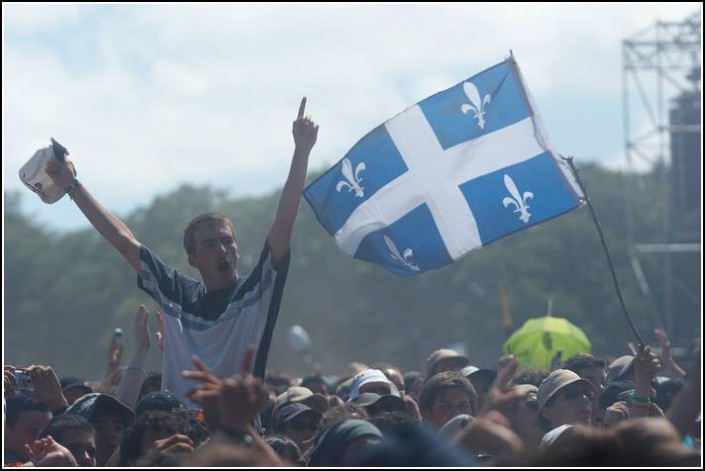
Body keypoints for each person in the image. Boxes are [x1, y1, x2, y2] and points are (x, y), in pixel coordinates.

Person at [46, 98, 318, 408]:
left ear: (237, 248)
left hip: (238, 433)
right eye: (209, 244)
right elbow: (123, 240)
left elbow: (283, 224)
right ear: (193, 260)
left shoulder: (258, 290)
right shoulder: (176, 293)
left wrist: (301, 151)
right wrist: (72, 186)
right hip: (180, 432)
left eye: (227, 241)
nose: (221, 248)